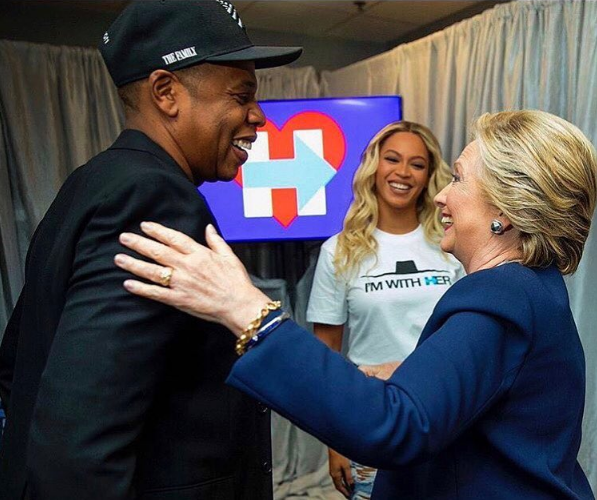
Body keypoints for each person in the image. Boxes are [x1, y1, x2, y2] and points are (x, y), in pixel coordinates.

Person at [115, 109, 597, 499]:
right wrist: (408, 371)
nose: (443, 195)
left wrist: (247, 311)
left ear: (506, 210)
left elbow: (398, 427)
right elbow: (494, 386)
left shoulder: (501, 295)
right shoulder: (534, 286)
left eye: (459, 180)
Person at [0, 2, 301, 499]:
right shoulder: (154, 199)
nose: (259, 117)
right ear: (166, 93)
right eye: (241, 95)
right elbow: (78, 445)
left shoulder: (91, 182)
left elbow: (19, 369)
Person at [307, 121, 463, 498]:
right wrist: (335, 441)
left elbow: (466, 341)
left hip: (443, 418)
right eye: (392, 159)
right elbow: (326, 356)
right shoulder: (339, 251)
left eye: (417, 164)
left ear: (429, 176)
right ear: (373, 167)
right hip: (372, 420)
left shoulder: (451, 245)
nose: (403, 172)